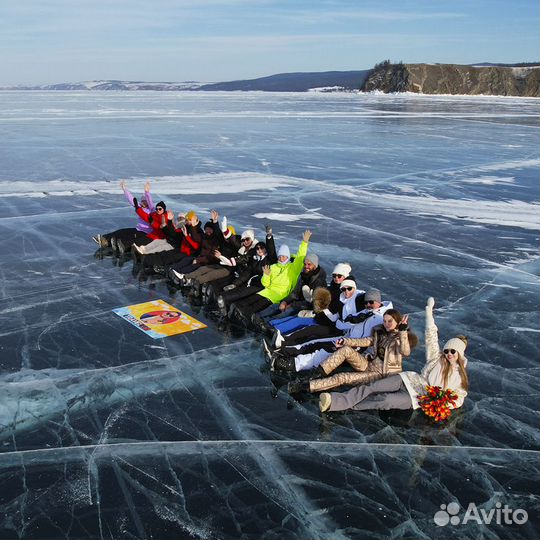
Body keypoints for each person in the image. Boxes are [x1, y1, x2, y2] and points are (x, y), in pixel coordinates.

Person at [319, 297, 469, 413]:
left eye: (452, 351)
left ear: (460, 354)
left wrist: (440, 403)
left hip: (417, 399)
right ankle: (333, 401)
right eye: (447, 350)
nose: (448, 354)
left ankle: (348, 406)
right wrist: (429, 312)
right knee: (371, 387)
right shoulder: (437, 357)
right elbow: (431, 337)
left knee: (384, 400)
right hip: (407, 379)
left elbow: (459, 398)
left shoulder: (460, 376)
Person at [287, 309, 417, 394]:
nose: (387, 324)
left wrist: (403, 331)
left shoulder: (400, 338)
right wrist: (345, 341)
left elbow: (405, 352)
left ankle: (307, 386)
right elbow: (365, 341)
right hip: (369, 365)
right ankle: (316, 373)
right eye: (384, 321)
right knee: (346, 350)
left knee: (342, 377)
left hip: (381, 375)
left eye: (390, 321)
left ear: (397, 322)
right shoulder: (380, 333)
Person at [230, 230, 311, 322]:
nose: (281, 258)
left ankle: (241, 318)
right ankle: (233, 313)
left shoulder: (293, 268)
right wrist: (266, 275)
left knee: (254, 307)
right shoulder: (273, 267)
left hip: (277, 296)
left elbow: (300, 256)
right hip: (266, 291)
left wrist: (304, 242)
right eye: (280, 256)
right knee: (246, 301)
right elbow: (266, 284)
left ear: (288, 257)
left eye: (284, 256)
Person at [253, 252, 327, 333]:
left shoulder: (320, 281)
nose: (306, 266)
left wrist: (291, 305)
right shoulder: (304, 276)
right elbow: (295, 293)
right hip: (297, 303)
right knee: (275, 306)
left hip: (305, 307)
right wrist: (285, 301)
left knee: (283, 314)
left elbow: (313, 303)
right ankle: (256, 317)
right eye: (305, 264)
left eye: (309, 264)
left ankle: (264, 325)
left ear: (315, 265)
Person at [93, 180, 155, 252]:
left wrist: (147, 192)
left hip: (146, 233)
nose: (144, 202)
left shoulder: (152, 210)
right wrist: (124, 189)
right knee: (121, 232)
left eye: (145, 201)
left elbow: (150, 201)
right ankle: (104, 239)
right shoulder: (140, 208)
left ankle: (122, 246)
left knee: (129, 238)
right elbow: (131, 200)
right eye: (142, 201)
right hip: (138, 229)